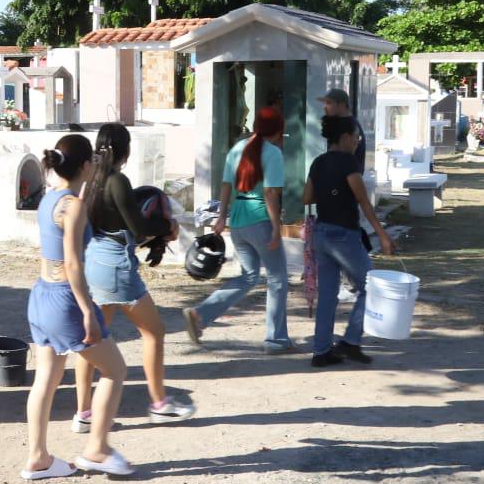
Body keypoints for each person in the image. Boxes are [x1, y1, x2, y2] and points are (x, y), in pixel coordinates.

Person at [22, 134, 133, 479]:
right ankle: (97, 449)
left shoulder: (49, 199)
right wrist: (87, 310)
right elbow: (73, 264)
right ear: (86, 166)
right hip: (66, 300)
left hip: (40, 297)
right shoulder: (74, 206)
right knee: (115, 370)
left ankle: (38, 457)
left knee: (46, 378)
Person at [72, 123, 195, 426]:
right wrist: (169, 228)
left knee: (91, 342)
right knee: (154, 332)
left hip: (93, 262)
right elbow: (138, 227)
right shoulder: (117, 181)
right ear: (124, 150)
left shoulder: (89, 181)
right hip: (116, 267)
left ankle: (84, 413)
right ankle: (159, 402)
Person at [183, 107, 293, 353]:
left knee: (249, 277)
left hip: (238, 222)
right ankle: (276, 340)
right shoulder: (273, 153)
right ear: (278, 130)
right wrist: (276, 227)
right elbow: (270, 193)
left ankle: (200, 314)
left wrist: (222, 217)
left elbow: (225, 185)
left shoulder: (238, 148)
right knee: (277, 280)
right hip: (260, 220)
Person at [302, 115, 396, 368]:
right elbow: (364, 202)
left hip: (321, 234)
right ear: (344, 137)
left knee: (328, 297)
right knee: (371, 288)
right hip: (344, 235)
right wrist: (383, 235)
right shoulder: (348, 162)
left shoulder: (318, 162)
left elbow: (306, 197)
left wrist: (328, 190)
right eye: (355, 136)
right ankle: (351, 341)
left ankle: (321, 352)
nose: (357, 141)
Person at [320, 87, 366, 171]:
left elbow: (346, 160)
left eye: (328, 103)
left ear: (342, 105)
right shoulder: (337, 124)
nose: (324, 107)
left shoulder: (350, 126)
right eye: (324, 103)